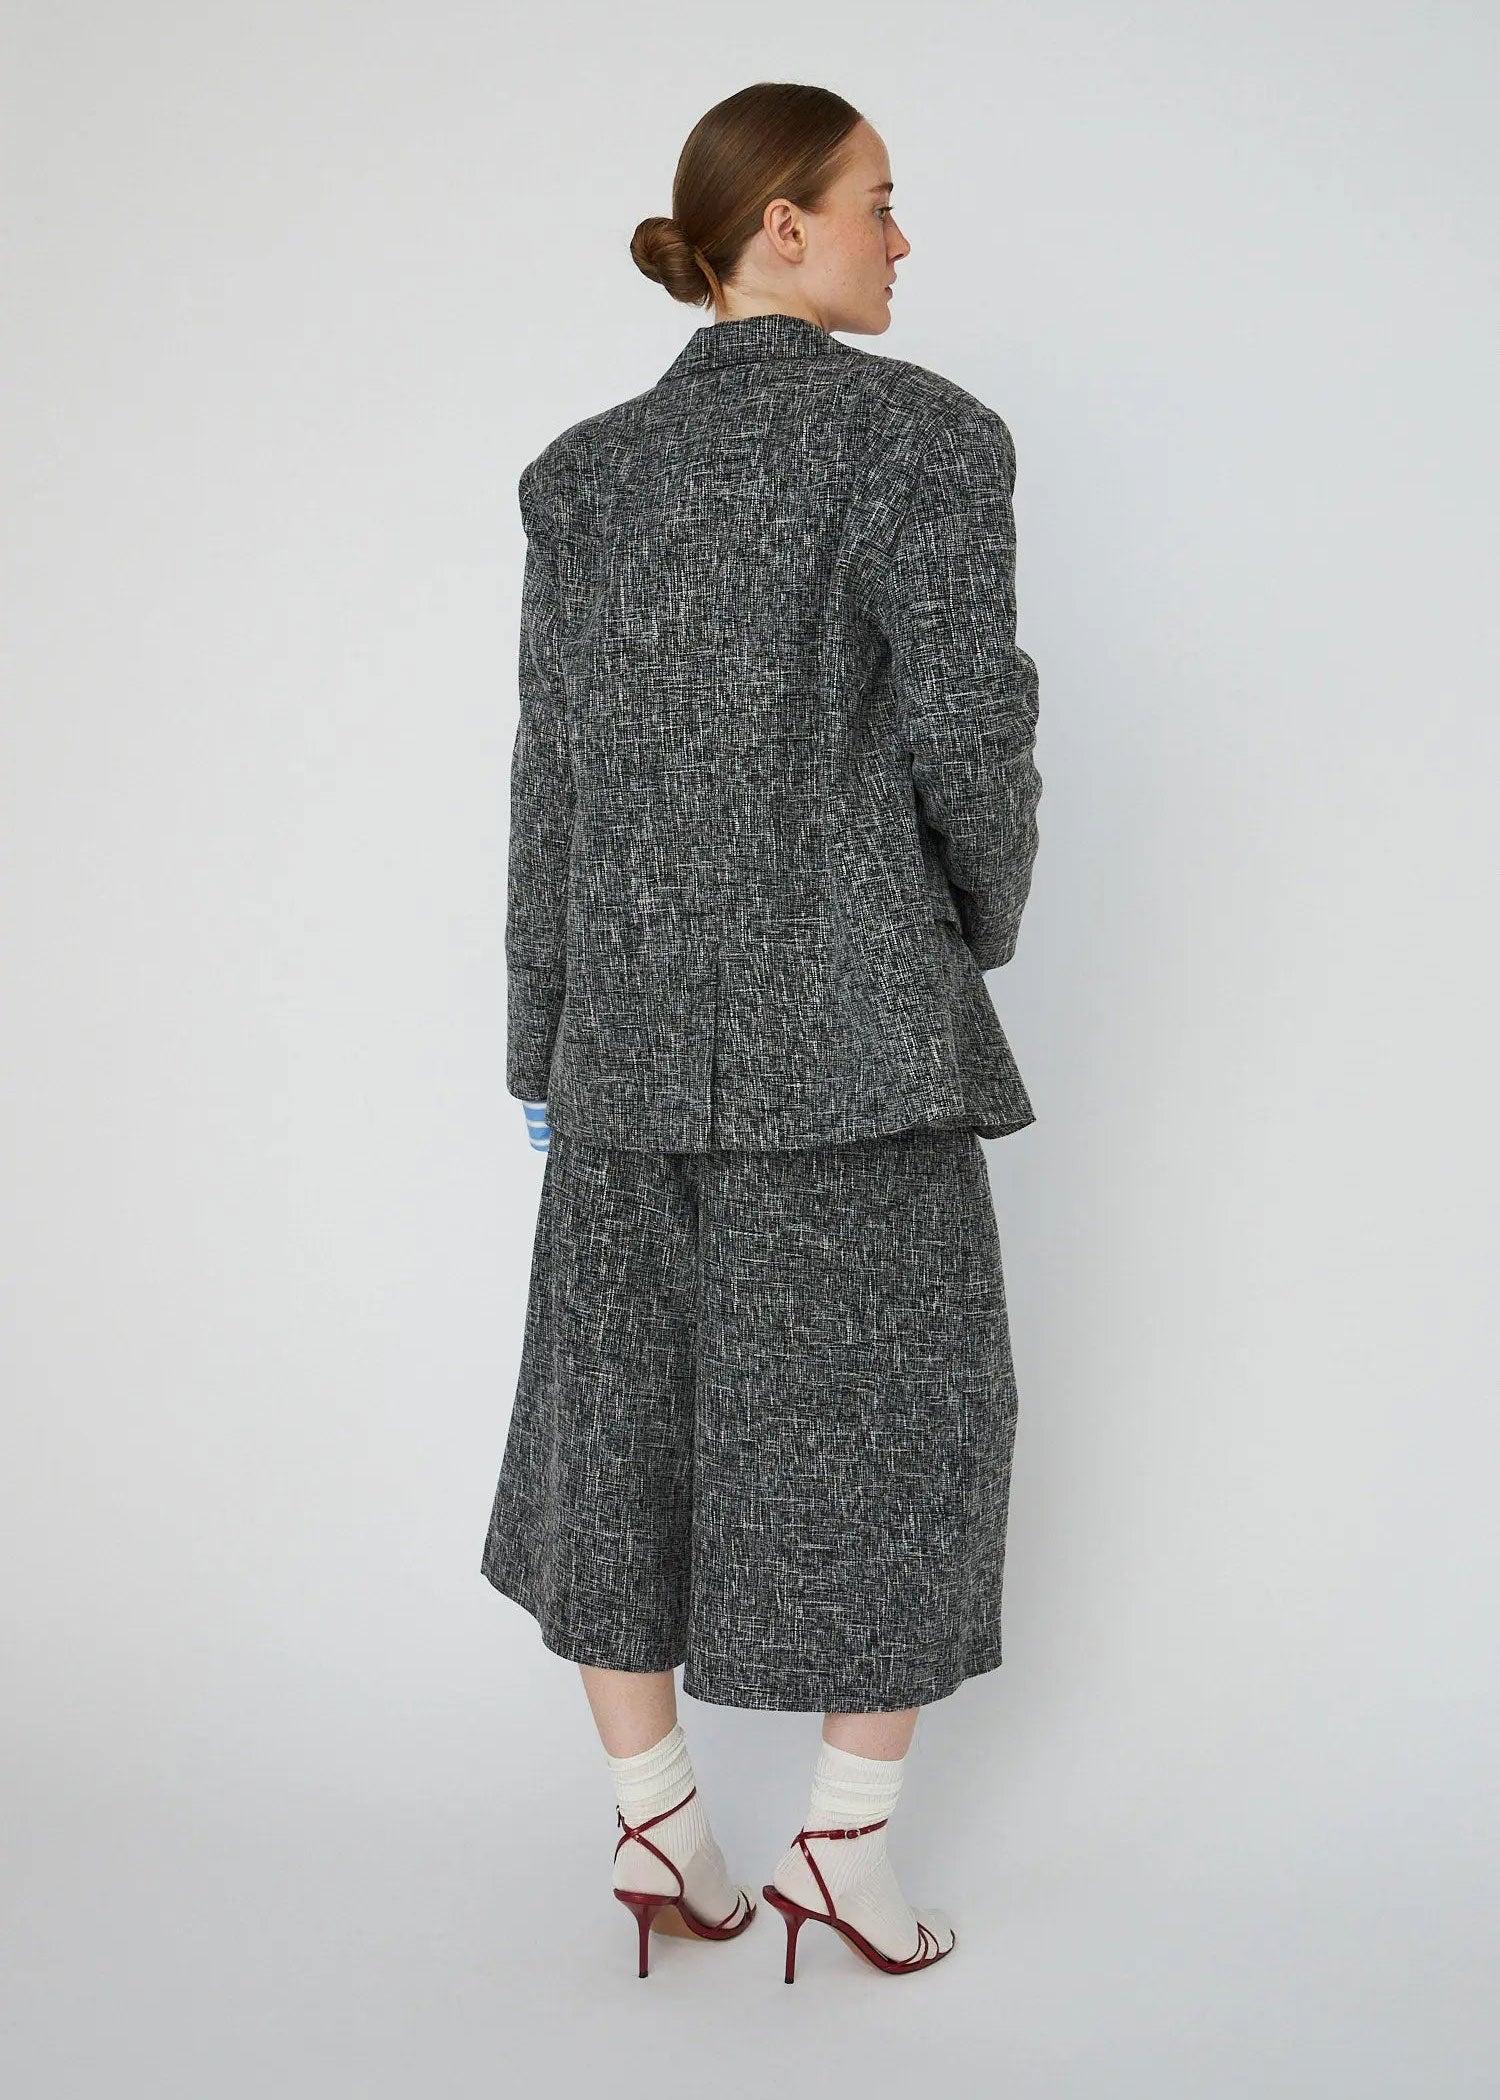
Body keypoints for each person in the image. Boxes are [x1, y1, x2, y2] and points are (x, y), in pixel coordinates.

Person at [479, 80, 1042, 1982]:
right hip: (861, 1050)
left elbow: (550, 788)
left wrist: (547, 1046)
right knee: (915, 1428)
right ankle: (840, 1860)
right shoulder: (926, 440)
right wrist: (955, 932)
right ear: (780, 227)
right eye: (879, 199)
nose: (903, 235)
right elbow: (977, 740)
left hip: (624, 1058)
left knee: (614, 1432)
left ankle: (659, 1834)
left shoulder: (583, 478)